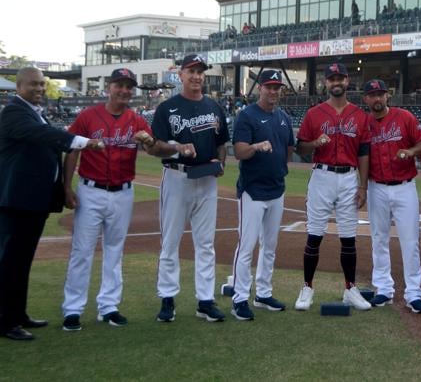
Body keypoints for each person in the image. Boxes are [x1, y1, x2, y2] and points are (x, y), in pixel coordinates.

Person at [60, 68, 195, 332]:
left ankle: (109, 307)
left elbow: (154, 147)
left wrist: (174, 147)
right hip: (90, 191)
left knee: (114, 251)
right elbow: (72, 150)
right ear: (109, 87)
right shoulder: (89, 116)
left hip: (123, 192)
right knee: (82, 251)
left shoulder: (135, 120)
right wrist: (67, 187)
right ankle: (73, 309)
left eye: (128, 86)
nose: (124, 90)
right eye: (119, 85)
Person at [0, 67, 103, 341]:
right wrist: (85, 142)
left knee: (22, 261)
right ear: (18, 86)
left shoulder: (34, 112)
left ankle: (18, 314)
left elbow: (46, 138)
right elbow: (45, 136)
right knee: (12, 262)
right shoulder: (15, 112)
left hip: (31, 201)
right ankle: (6, 323)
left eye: (41, 84)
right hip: (14, 200)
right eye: (33, 85)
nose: (39, 89)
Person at [152, 54, 230, 323]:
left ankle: (205, 301)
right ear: (180, 75)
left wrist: (220, 163)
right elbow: (155, 146)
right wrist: (177, 147)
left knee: (206, 244)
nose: (196, 76)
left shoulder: (214, 107)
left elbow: (222, 143)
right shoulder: (167, 108)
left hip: (207, 180)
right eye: (191, 71)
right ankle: (167, 299)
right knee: (170, 242)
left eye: (200, 71)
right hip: (177, 177)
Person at [294, 62, 372, 312]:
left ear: (348, 81)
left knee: (348, 236)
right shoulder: (314, 114)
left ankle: (350, 288)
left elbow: (363, 153)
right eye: (331, 79)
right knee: (315, 234)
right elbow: (301, 148)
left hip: (349, 177)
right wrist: (315, 142)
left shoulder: (360, 115)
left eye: (340, 78)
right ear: (325, 83)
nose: (336, 82)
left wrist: (363, 187)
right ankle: (307, 287)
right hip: (322, 176)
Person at [229, 70, 295, 321]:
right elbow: (239, 151)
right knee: (246, 246)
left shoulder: (283, 117)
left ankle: (264, 293)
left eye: (277, 87)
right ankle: (239, 298)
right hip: (253, 191)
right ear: (260, 89)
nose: (274, 91)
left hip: (277, 189)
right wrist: (256, 147)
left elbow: (289, 148)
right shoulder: (247, 116)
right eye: (269, 86)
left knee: (270, 246)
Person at [362, 79, 421, 313]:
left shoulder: (404, 117)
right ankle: (383, 289)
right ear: (366, 99)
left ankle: (413, 293)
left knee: (410, 241)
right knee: (379, 238)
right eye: (372, 95)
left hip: (404, 186)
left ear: (387, 96)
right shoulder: (364, 123)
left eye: (380, 94)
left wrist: (410, 151)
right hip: (376, 187)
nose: (377, 98)